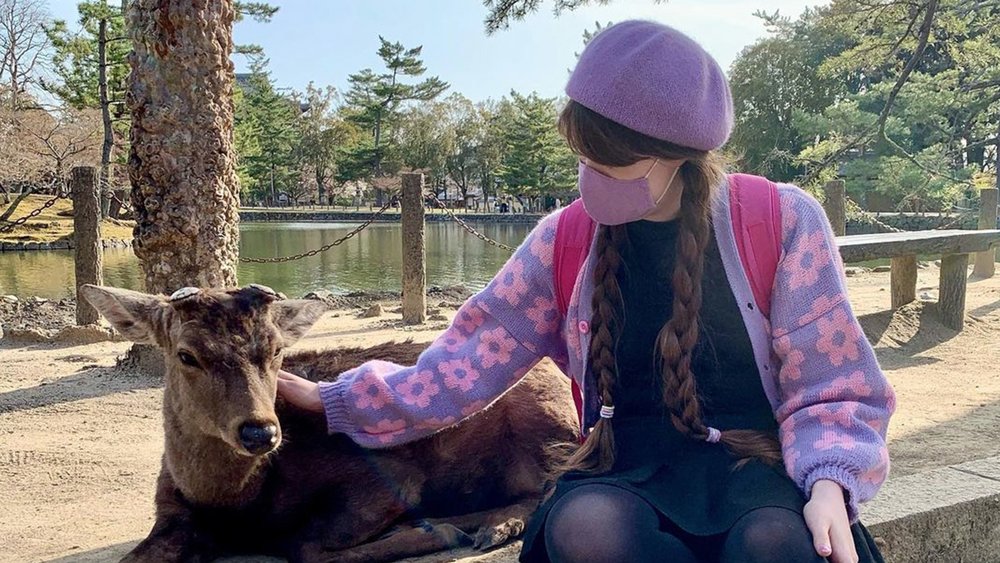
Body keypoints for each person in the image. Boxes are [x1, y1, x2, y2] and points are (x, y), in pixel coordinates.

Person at [278, 20, 894, 563]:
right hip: (620, 463)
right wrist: (338, 400)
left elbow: (833, 384)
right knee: (588, 529)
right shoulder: (564, 241)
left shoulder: (780, 222)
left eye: (610, 163)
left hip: (754, 462)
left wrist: (830, 483)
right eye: (583, 158)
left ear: (677, 154)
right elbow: (468, 358)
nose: (589, 179)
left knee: (776, 544)